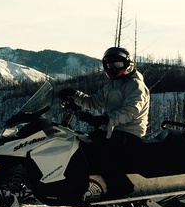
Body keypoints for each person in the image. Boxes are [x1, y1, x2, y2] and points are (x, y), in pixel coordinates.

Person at [59, 46, 150, 198]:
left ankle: (122, 189)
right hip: (112, 129)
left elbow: (132, 110)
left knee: (99, 153)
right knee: (82, 146)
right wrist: (75, 95)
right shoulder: (113, 85)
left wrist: (108, 119)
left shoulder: (135, 85)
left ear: (128, 64)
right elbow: (94, 102)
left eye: (117, 65)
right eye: (109, 65)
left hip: (129, 132)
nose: (113, 69)